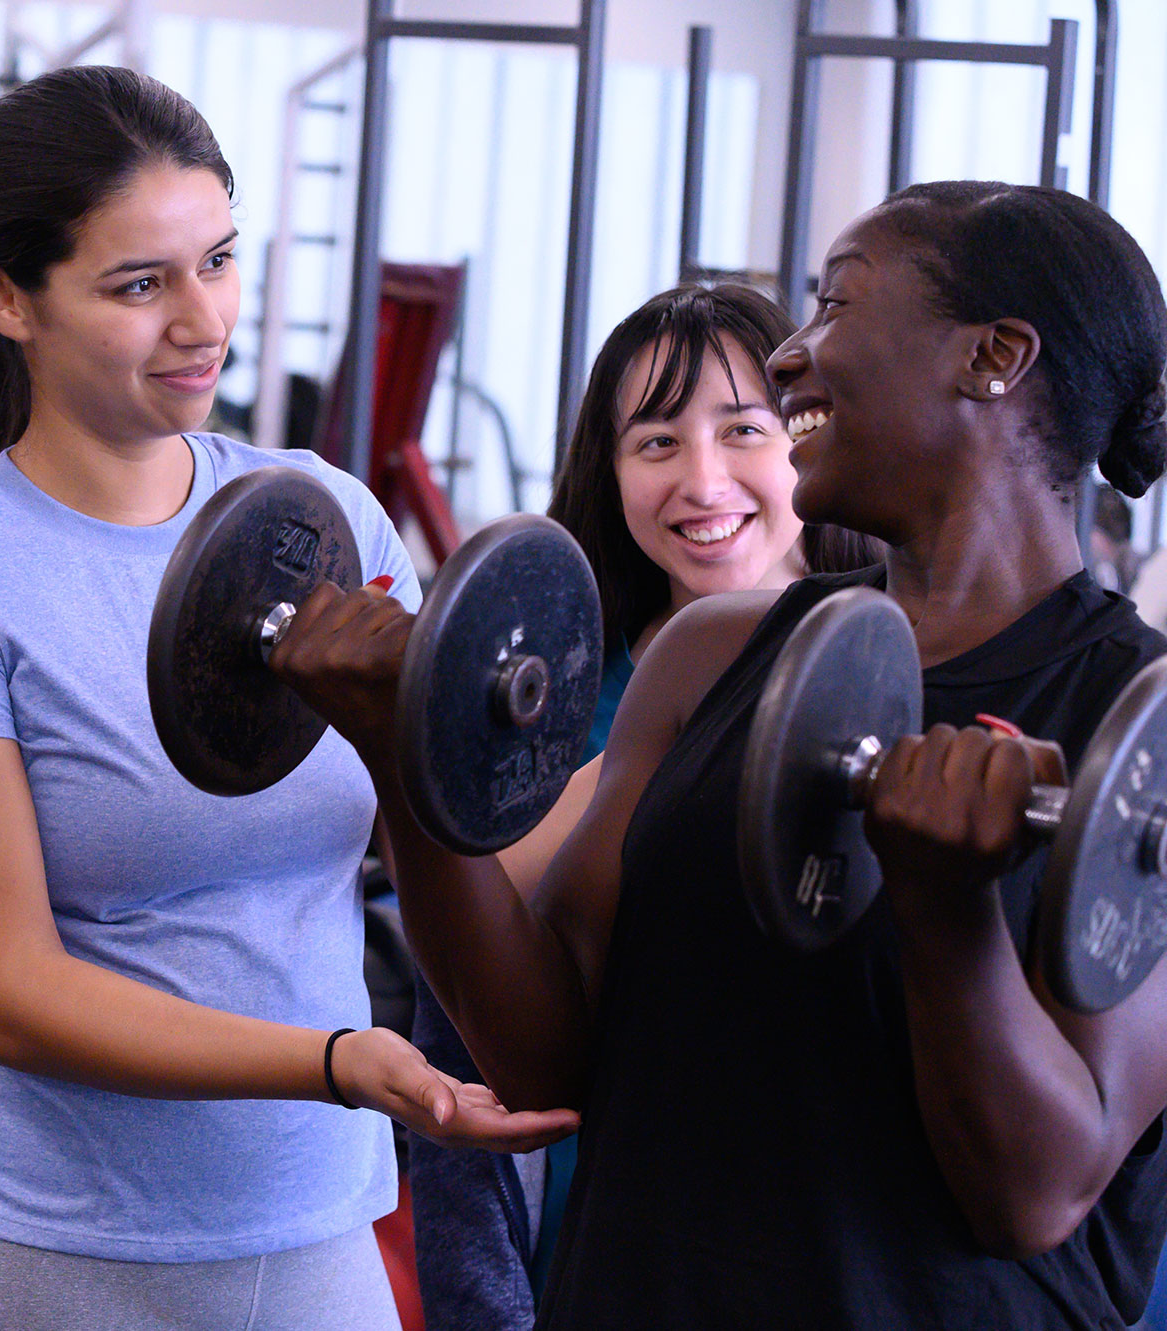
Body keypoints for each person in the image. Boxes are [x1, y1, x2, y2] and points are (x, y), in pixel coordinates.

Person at [272, 180, 1167, 1329]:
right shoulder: (712, 652)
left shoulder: (1133, 728)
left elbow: (1031, 1192)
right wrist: (401, 754)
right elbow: (544, 1055)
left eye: (833, 304)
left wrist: (947, 908)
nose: (789, 356)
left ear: (992, 355)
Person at [0, 66, 570, 1331]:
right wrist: (335, 1062)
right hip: (45, 1256)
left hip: (316, 1225)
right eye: (138, 283)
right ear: (6, 296)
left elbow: (455, 821)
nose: (201, 319)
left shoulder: (323, 517)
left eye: (217, 260)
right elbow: (7, 992)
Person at [407, 281, 882, 1326]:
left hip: (844, 1246)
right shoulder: (541, 701)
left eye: (742, 429)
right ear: (609, 469)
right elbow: (456, 1008)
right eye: (655, 442)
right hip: (604, 1242)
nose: (701, 480)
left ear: (809, 434)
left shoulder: (907, 666)